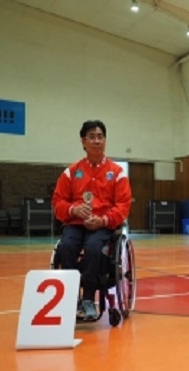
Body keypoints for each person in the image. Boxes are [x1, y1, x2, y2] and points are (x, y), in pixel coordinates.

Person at [52, 120, 132, 321]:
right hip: (76, 223)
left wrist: (104, 220)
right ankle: (71, 297)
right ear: (83, 142)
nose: (97, 141)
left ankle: (88, 298)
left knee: (95, 248)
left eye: (100, 137)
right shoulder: (71, 171)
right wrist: (73, 209)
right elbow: (57, 202)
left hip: (102, 226)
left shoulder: (117, 172)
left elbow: (123, 205)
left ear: (105, 141)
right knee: (66, 246)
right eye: (92, 137)